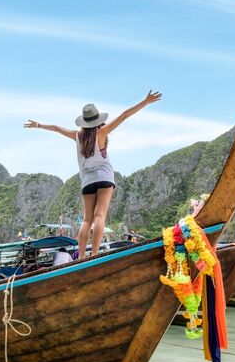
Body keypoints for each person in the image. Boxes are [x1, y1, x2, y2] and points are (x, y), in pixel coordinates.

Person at [24, 90, 162, 259]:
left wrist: (38, 125)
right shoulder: (102, 133)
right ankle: (95, 253)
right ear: (97, 120)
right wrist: (145, 102)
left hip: (87, 181)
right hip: (104, 177)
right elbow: (124, 115)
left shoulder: (77, 136)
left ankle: (81, 256)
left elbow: (57, 128)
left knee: (87, 219)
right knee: (100, 215)